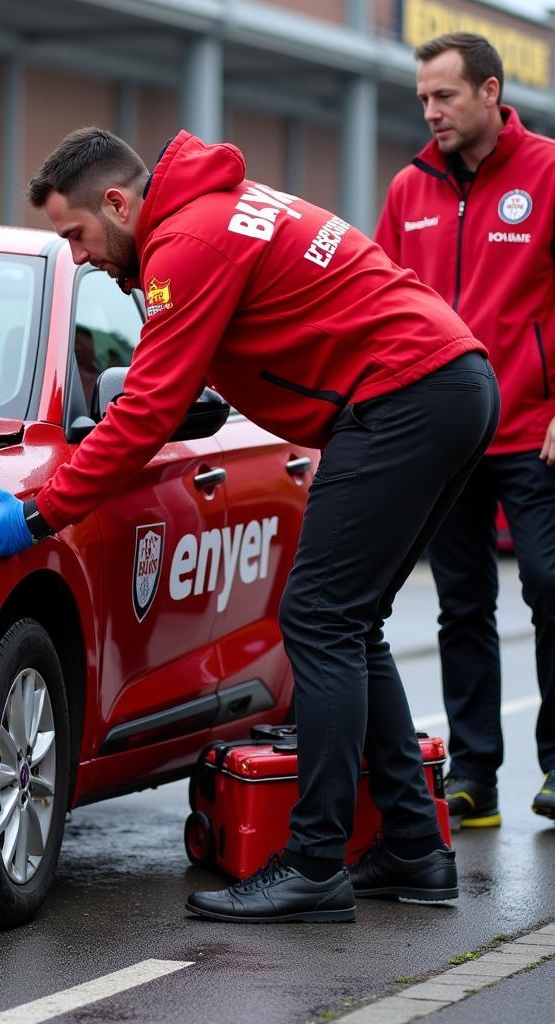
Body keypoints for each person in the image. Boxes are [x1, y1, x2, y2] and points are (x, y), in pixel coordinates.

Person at [0, 126, 499, 923]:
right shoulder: (214, 212)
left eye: (75, 234)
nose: (76, 256)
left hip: (402, 395)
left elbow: (145, 410)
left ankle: (315, 865)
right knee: (350, 621)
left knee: (317, 619)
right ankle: (417, 849)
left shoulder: (189, 243)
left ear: (117, 201)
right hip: (447, 382)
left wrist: (40, 512)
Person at [376, 33, 555, 830]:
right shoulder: (408, 190)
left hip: (532, 426)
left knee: (550, 588)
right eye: (422, 98)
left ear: (490, 91)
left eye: (444, 96)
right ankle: (475, 775)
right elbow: (377, 310)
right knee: (461, 603)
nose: (430, 112)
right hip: (447, 438)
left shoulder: (548, 172)